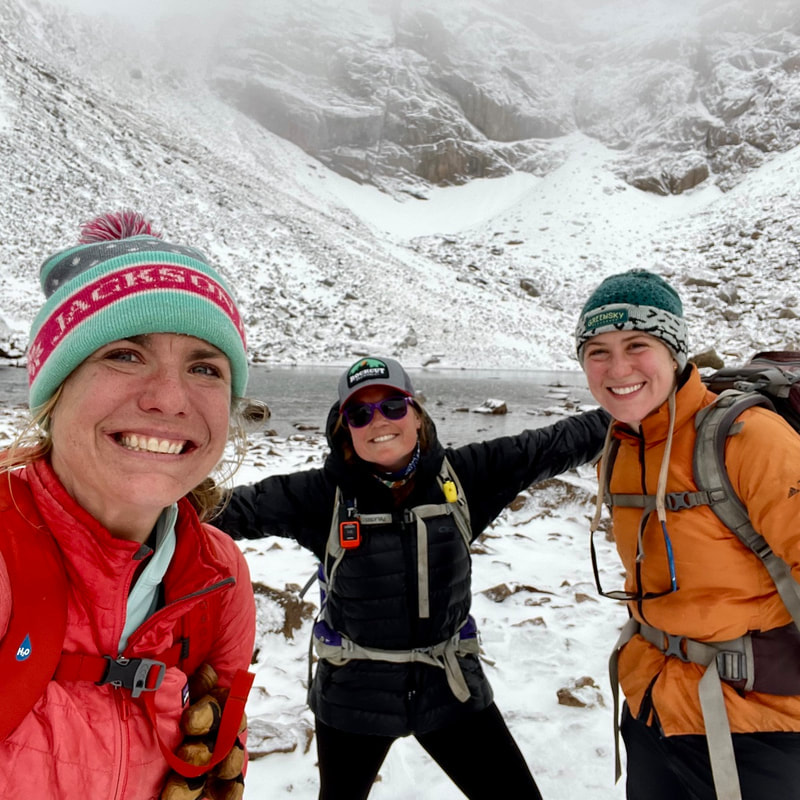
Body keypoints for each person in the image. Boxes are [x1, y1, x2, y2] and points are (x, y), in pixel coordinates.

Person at [216, 354, 611, 799]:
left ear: (417, 414)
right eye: (360, 413)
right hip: (353, 698)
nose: (378, 421)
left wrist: (646, 400)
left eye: (393, 406)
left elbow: (556, 443)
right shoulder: (321, 494)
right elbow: (227, 511)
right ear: (346, 428)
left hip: (451, 689)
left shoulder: (464, 476)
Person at [0, 211, 257, 800]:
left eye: (204, 367)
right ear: (54, 391)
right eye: (124, 354)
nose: (169, 399)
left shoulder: (219, 575)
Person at [574, 269, 800, 800]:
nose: (618, 368)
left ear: (676, 352)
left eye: (637, 345)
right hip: (653, 711)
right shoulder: (622, 444)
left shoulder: (748, 438)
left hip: (758, 726)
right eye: (597, 351)